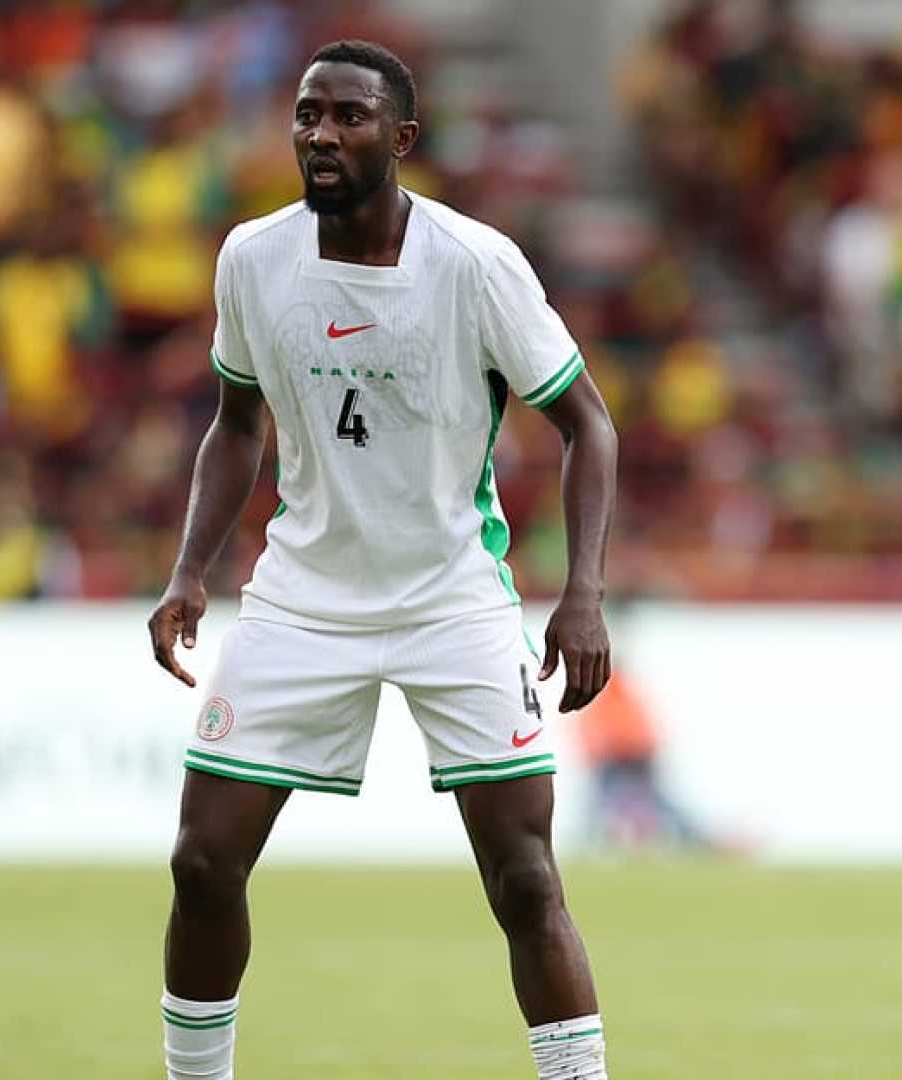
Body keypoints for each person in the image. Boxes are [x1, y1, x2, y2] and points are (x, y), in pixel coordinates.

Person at [146, 40, 620, 1080]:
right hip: (303, 599)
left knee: (525, 880)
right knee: (201, 861)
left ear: (401, 137)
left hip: (454, 600)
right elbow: (236, 423)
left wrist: (584, 593)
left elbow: (588, 424)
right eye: (308, 114)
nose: (322, 134)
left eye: (349, 117)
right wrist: (189, 570)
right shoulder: (252, 257)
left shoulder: (475, 264)